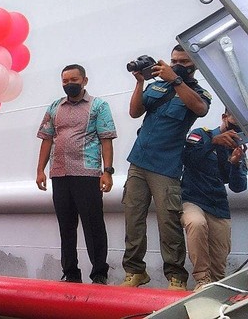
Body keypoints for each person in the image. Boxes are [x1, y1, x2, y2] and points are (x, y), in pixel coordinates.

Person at [121, 44, 212, 290]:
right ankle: (135, 271)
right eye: (173, 60)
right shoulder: (156, 85)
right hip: (138, 161)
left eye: (182, 61)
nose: (176, 65)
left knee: (168, 223)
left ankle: (176, 277)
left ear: (194, 65)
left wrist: (176, 81)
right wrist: (140, 83)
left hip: (166, 166)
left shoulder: (198, 92)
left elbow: (200, 110)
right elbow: (134, 112)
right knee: (133, 218)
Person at [36, 64, 116, 284]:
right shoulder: (54, 107)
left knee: (93, 226)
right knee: (66, 226)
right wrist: (40, 170)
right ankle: (70, 273)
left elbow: (106, 139)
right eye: (65, 81)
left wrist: (107, 172)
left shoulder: (99, 106)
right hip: (59, 174)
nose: (69, 84)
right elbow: (47, 139)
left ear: (84, 80)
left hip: (87, 174)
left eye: (73, 80)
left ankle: (99, 273)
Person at [181, 109, 247, 291]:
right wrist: (212, 142)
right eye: (234, 120)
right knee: (196, 223)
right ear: (224, 117)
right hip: (192, 199)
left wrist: (235, 164)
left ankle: (216, 291)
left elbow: (238, 187)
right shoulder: (201, 135)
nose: (236, 128)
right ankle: (202, 280)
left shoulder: (238, 149)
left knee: (219, 268)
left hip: (218, 206)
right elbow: (186, 158)